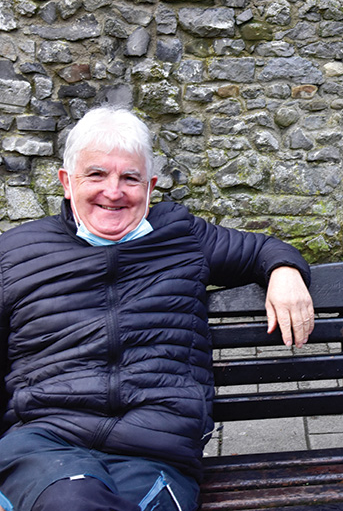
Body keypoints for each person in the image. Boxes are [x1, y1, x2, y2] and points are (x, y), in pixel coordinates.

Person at [0, 107, 314, 511]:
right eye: (96, 174)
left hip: (154, 450)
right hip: (45, 443)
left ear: (150, 187)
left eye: (130, 178)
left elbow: (262, 249)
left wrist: (285, 271)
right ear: (66, 182)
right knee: (73, 499)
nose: (113, 192)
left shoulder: (182, 236)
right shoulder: (15, 253)